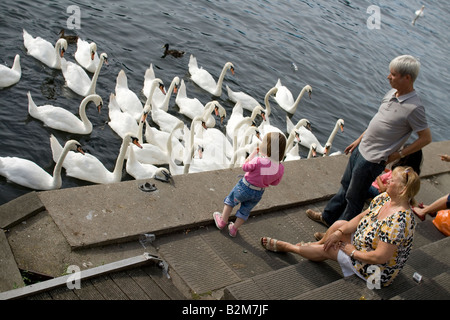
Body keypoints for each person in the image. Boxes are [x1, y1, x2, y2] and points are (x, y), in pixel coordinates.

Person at [306, 55, 431, 227]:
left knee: (354, 197)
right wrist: (359, 139)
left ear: (407, 78)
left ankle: (338, 234)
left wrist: (398, 154)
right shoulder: (391, 93)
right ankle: (328, 217)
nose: (388, 77)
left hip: (373, 159)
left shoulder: (415, 108)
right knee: (345, 185)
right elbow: (379, 119)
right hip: (361, 149)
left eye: (393, 74)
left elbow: (426, 138)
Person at [261, 166, 420, 287]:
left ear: (402, 190)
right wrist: (340, 232)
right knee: (339, 224)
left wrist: (353, 252)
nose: (386, 181)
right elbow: (362, 216)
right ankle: (315, 245)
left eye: (391, 181)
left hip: (376, 272)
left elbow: (380, 257)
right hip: (365, 246)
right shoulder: (386, 197)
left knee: (330, 248)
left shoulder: (399, 221)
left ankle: (289, 248)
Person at [213, 132, 286, 237]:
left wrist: (251, 156)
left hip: (244, 188)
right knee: (245, 211)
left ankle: (222, 221)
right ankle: (233, 229)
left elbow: (245, 167)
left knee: (230, 201)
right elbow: (275, 182)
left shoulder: (258, 161)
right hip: (258, 193)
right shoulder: (280, 168)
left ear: (267, 146)